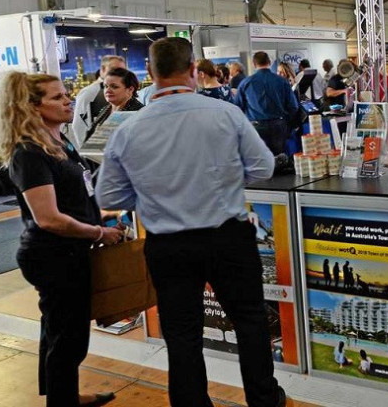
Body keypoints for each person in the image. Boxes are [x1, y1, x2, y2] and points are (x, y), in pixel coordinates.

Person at [96, 37, 285, 406]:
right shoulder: (224, 113)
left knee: (181, 332)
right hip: (228, 236)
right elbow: (263, 167)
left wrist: (152, 195)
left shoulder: (128, 129)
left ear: (149, 73)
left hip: (168, 244)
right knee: (249, 321)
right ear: (194, 69)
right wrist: (224, 180)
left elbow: (109, 197)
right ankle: (264, 399)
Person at [0, 72, 123, 407]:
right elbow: (48, 218)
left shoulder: (60, 141)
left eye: (65, 94)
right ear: (33, 106)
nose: (68, 101)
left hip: (69, 251)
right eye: (57, 97)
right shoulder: (30, 152)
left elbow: (74, 197)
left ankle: (63, 395)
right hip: (52, 256)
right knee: (68, 338)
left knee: (58, 331)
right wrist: (99, 232)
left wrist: (102, 217)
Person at [234, 51, 299, 156]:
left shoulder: (246, 83)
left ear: (254, 64)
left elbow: (237, 109)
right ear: (269, 62)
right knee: (280, 158)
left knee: (260, 159)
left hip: (256, 127)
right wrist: (285, 122)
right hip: (278, 125)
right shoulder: (282, 81)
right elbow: (293, 106)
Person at [72, 55, 126, 147]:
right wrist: (88, 151)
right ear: (103, 69)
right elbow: (79, 125)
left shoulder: (124, 91)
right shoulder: (89, 93)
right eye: (115, 69)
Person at [84, 68, 144, 143]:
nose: (108, 90)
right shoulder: (106, 109)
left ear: (130, 89)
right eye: (106, 86)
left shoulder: (139, 113)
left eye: (114, 87)